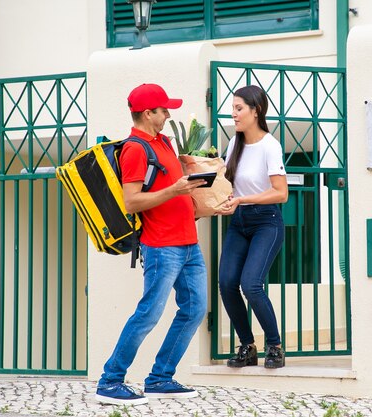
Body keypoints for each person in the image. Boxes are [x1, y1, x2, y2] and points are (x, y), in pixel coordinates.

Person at [95, 83, 208, 406]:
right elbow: (131, 202)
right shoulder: (135, 149)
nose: (168, 114)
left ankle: (160, 378)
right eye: (163, 109)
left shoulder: (165, 143)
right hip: (162, 247)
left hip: (189, 244)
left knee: (194, 309)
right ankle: (110, 381)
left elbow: (178, 194)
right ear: (148, 113)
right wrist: (175, 190)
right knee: (148, 314)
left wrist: (210, 206)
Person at [216, 85, 289, 369]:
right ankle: (247, 346)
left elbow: (280, 193)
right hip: (239, 221)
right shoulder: (235, 144)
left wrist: (243, 199)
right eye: (232, 108)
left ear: (255, 111)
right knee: (226, 283)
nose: (233, 114)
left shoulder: (270, 146)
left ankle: (275, 347)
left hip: (266, 221)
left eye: (238, 108)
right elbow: (224, 183)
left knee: (251, 285)